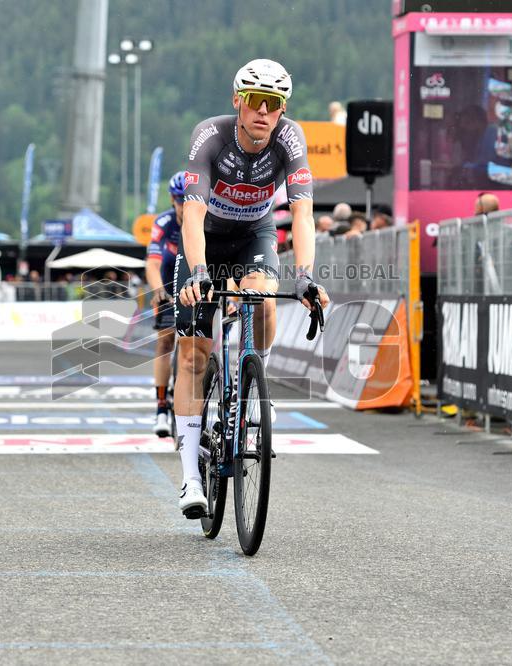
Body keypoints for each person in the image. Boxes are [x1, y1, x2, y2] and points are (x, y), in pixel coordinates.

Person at [174, 58, 330, 517]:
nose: (264, 111)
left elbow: (302, 214)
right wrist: (199, 272)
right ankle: (190, 478)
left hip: (254, 236)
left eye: (274, 103)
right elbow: (193, 214)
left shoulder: (290, 139)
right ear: (237, 101)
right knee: (192, 354)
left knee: (262, 299)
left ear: (283, 109)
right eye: (256, 100)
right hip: (206, 240)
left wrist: (306, 275)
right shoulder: (210, 136)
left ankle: (254, 380)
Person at [145, 171, 186, 438]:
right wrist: (158, 290)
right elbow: (152, 263)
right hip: (168, 287)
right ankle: (161, 406)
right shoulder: (164, 222)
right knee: (165, 341)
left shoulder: (205, 219)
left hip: (194, 284)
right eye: (180, 200)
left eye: (189, 199)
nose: (185, 205)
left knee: (194, 345)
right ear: (173, 199)